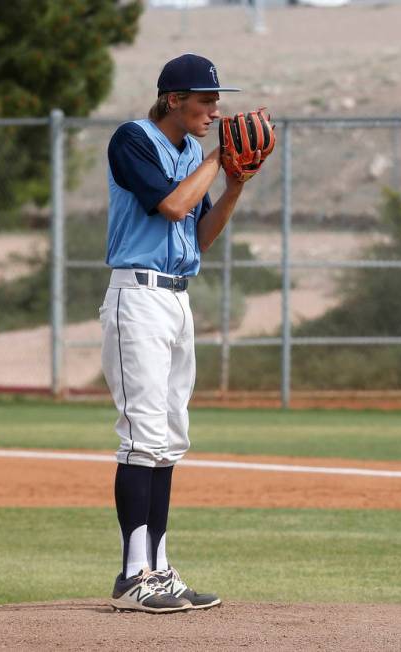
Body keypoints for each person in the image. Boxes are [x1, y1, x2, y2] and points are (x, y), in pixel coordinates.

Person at [99, 53, 261, 613]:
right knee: (142, 436)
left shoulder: (194, 153)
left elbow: (200, 234)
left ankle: (159, 569)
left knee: (169, 440)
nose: (216, 110)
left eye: (218, 100)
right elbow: (170, 206)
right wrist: (219, 159)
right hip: (136, 297)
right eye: (206, 100)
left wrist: (234, 183)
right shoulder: (133, 139)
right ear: (174, 99)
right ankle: (131, 576)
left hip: (176, 298)